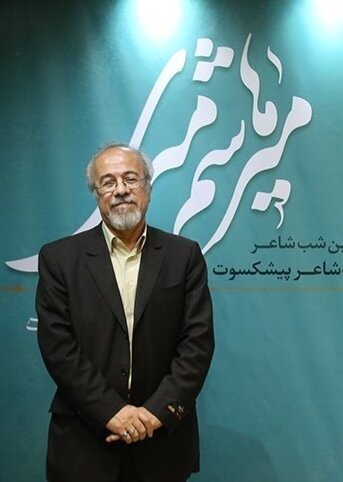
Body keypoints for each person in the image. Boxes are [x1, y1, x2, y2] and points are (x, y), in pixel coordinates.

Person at [36, 143, 215, 482]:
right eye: (108, 182)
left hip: (161, 443)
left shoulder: (184, 256)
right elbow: (59, 348)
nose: (120, 190)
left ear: (148, 187)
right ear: (96, 194)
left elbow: (197, 344)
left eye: (131, 179)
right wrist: (111, 412)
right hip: (85, 442)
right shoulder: (59, 259)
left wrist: (155, 413)